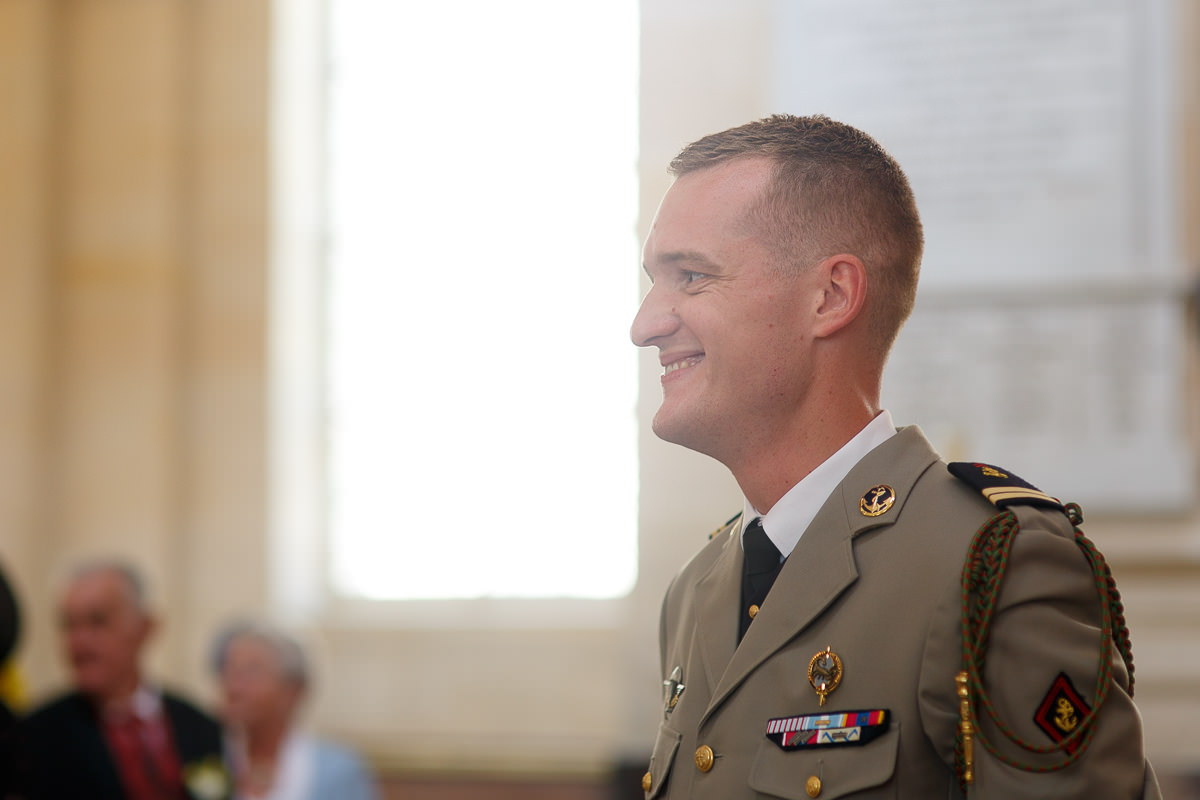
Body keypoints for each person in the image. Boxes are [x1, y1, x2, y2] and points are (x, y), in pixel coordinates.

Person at [630, 115, 1159, 799]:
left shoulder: (991, 566)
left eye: (691, 276)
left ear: (831, 297)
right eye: (654, 281)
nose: (644, 324)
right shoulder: (700, 589)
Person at [15, 561, 228, 800]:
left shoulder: (199, 726)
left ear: (145, 628)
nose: (79, 642)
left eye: (98, 621)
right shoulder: (37, 735)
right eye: (69, 625)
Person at [210, 620, 378, 800]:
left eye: (252, 672)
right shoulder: (208, 755)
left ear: (293, 690)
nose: (234, 687)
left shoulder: (338, 771)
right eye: (229, 671)